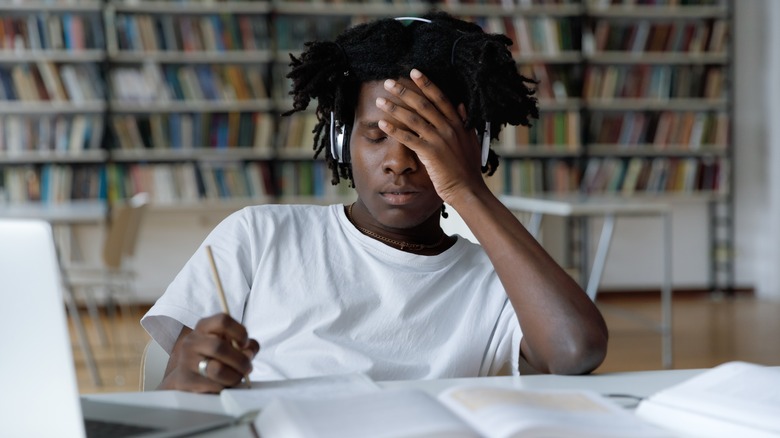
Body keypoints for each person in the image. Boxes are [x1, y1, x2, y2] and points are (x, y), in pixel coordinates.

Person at [142, 12, 608, 393]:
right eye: (377, 135)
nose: (399, 162)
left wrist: (466, 189)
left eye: (426, 140)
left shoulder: (502, 283)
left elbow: (576, 349)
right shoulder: (258, 236)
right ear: (343, 140)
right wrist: (188, 376)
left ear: (475, 148)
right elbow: (174, 398)